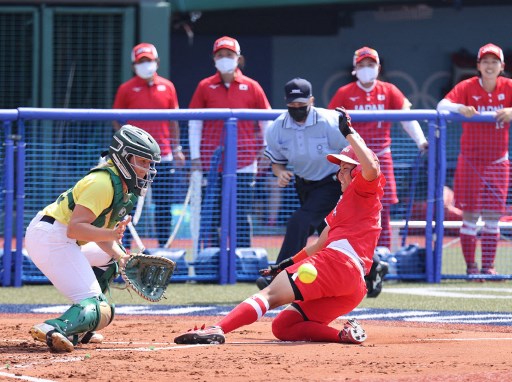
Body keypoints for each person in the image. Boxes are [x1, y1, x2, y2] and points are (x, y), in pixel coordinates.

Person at [174, 108, 385, 345]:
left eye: (345, 169)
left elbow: (373, 169)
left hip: (336, 265)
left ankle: (217, 329)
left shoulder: (363, 190)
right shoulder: (347, 203)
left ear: (357, 171)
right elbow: (318, 245)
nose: (339, 175)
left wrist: (349, 133)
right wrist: (286, 264)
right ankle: (343, 335)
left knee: (270, 295)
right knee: (284, 326)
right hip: (353, 285)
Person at [27, 125, 161, 352]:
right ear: (124, 157)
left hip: (62, 237)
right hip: (51, 238)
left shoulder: (124, 188)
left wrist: (122, 257)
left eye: (149, 163)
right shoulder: (102, 183)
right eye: (143, 162)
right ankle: (54, 328)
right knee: (101, 309)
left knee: (112, 260)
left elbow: (97, 235)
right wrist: (111, 234)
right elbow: (75, 229)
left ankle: (81, 327)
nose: (147, 169)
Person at [328, 46, 428, 250]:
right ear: (355, 68)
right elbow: (331, 123)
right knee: (351, 206)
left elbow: (406, 118)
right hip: (354, 159)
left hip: (382, 157)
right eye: (362, 65)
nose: (367, 68)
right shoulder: (344, 92)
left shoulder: (389, 90)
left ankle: (382, 254)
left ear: (378, 67)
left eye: (371, 64)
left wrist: (421, 141)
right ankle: (353, 253)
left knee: (383, 209)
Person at [256, 78, 347, 288]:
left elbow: (352, 150)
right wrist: (280, 174)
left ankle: (279, 274)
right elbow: (277, 163)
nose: (297, 109)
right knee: (329, 232)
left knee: (299, 222)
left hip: (332, 181)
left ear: (312, 100)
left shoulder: (330, 121)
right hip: (304, 183)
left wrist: (347, 179)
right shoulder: (277, 127)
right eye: (292, 105)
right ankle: (373, 269)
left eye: (301, 105)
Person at [188, 36, 271, 248]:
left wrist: (267, 150)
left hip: (244, 161)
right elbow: (195, 122)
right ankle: (212, 258)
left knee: (241, 213)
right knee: (213, 212)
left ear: (238, 58)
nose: (225, 59)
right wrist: (196, 156)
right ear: (214, 59)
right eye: (220, 55)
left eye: (229, 55)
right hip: (211, 162)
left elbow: (265, 121)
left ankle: (242, 256)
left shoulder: (252, 87)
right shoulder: (204, 86)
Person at [437, 43, 512, 276]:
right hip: (470, 161)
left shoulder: (508, 86)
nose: (490, 66)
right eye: (485, 62)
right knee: (470, 216)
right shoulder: (467, 86)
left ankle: (488, 267)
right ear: (478, 66)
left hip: (499, 162)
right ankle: (471, 268)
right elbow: (441, 106)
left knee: (493, 217)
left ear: (502, 66)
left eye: (494, 62)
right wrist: (461, 108)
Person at [113, 42, 185, 247]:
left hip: (163, 155)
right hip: (133, 158)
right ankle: (123, 246)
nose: (145, 64)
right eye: (141, 61)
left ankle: (163, 246)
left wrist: (177, 148)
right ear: (134, 65)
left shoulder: (168, 86)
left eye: (148, 60)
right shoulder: (126, 88)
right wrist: (127, 144)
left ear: (157, 62)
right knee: (128, 203)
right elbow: (115, 119)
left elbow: (174, 121)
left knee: (164, 204)